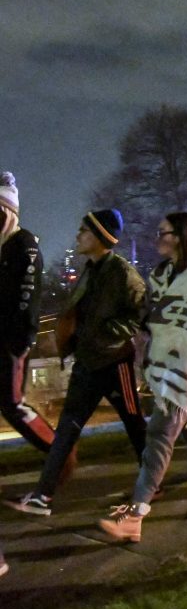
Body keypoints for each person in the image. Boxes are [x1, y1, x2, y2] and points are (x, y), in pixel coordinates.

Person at [97, 213, 187, 542]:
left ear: (181, 236)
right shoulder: (159, 276)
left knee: (159, 437)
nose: (158, 237)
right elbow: (150, 318)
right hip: (163, 363)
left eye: (164, 233)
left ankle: (136, 514)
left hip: (186, 366)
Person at [6, 210, 147, 516]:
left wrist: (103, 335)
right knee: (67, 428)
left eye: (84, 231)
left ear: (101, 237)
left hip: (115, 363)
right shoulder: (90, 270)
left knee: (135, 423)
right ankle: (43, 497)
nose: (77, 236)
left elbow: (138, 315)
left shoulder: (122, 273)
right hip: (87, 362)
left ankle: (151, 484)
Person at [0, 171, 58, 452]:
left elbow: (27, 297)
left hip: (12, 341)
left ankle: (58, 456)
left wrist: (21, 340)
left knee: (13, 405)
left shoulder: (24, 246)